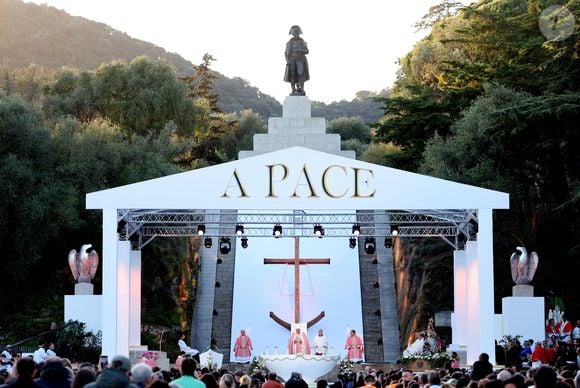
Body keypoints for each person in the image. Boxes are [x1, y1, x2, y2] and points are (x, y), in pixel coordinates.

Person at [283, 25, 309, 96]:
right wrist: (287, 61)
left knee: (301, 74)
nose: (295, 34)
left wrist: (300, 50)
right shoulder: (289, 42)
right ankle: (293, 89)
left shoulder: (302, 41)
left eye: (297, 33)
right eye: (294, 33)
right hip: (292, 60)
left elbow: (307, 51)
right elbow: (285, 53)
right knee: (292, 75)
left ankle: (301, 88)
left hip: (300, 59)